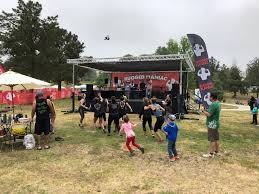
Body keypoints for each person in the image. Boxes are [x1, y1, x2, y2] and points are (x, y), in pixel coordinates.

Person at [201, 92, 221, 158]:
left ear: (212, 97)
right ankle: (216, 152)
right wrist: (207, 110)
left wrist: (203, 111)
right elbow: (212, 112)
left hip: (212, 124)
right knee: (216, 138)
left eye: (210, 97)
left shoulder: (213, 104)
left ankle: (210, 154)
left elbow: (209, 114)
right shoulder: (218, 103)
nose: (209, 98)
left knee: (212, 139)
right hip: (216, 123)